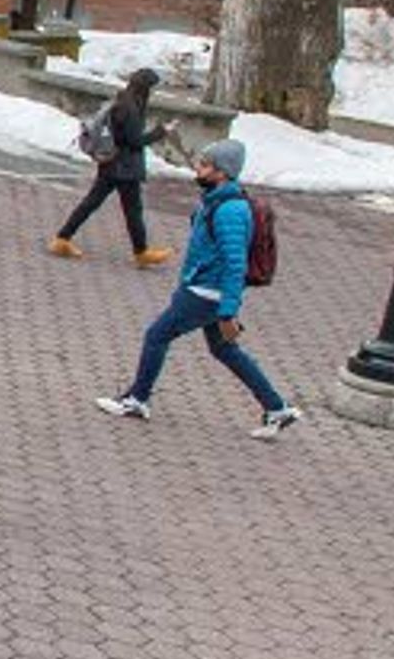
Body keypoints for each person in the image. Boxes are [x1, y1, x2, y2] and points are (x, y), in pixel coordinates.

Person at [94, 137, 299, 438]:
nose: (198, 169)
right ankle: (277, 408)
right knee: (225, 350)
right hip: (206, 289)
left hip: (206, 293)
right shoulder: (216, 200)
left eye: (205, 165)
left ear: (222, 172)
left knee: (157, 335)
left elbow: (235, 264)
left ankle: (137, 399)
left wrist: (228, 310)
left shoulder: (229, 211)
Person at [51, 66, 173, 264]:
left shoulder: (121, 100)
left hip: (111, 163)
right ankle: (141, 252)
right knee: (133, 210)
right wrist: (161, 132)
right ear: (145, 88)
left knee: (92, 203)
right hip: (125, 167)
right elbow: (134, 141)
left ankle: (62, 238)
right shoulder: (132, 109)